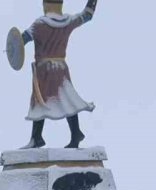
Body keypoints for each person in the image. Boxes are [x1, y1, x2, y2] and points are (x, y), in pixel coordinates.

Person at [21, 0, 99, 149]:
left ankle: (37, 138)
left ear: (46, 4)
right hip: (60, 68)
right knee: (67, 99)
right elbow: (87, 16)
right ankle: (74, 133)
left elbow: (22, 39)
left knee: (40, 101)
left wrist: (13, 44)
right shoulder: (67, 22)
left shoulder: (39, 24)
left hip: (44, 70)